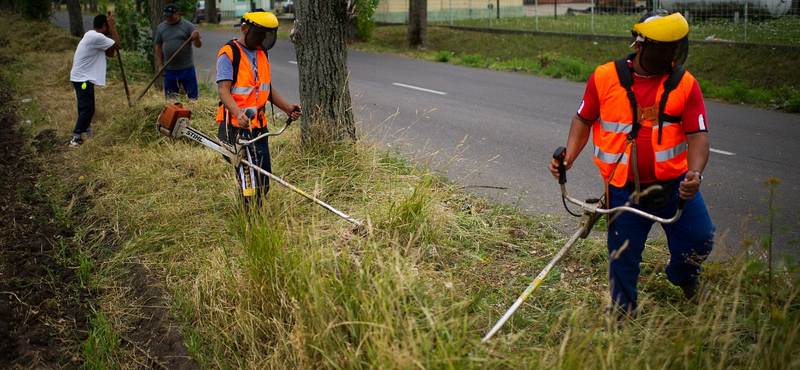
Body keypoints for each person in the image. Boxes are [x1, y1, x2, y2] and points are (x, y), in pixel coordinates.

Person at [548, 10, 715, 317]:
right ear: (639, 45)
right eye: (661, 49)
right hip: (623, 190)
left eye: (674, 48)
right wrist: (568, 157)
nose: (669, 56)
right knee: (622, 256)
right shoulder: (605, 78)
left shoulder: (685, 84)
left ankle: (683, 276)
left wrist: (695, 173)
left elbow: (697, 136)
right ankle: (623, 314)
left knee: (700, 239)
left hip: (676, 186)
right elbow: (583, 119)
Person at [216, 9, 302, 211]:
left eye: (267, 34)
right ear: (244, 28)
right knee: (249, 183)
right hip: (237, 129)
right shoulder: (229, 54)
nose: (263, 38)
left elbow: (265, 88)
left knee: (263, 179)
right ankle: (250, 222)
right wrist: (238, 113)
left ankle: (256, 215)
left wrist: (287, 108)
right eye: (259, 33)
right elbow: (223, 91)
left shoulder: (262, 53)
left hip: (259, 128)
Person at [69, 14, 121, 147]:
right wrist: (113, 28)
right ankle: (77, 137)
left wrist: (110, 33)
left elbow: (110, 53)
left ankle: (86, 130)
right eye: (107, 26)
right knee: (88, 107)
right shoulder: (96, 37)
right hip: (83, 80)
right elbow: (118, 45)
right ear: (104, 25)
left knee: (84, 105)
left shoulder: (92, 36)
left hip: (81, 78)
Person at [155, 4, 202, 100]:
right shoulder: (161, 27)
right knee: (170, 98)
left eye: (170, 16)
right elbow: (158, 46)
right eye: (166, 16)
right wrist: (160, 65)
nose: (167, 18)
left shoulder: (188, 26)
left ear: (178, 14)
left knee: (192, 98)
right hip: (169, 69)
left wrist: (196, 37)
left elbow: (198, 45)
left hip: (186, 68)